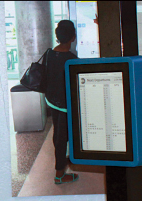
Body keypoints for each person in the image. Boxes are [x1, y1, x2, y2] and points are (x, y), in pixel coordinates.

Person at [44, 20, 79, 184]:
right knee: (61, 137)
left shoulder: (50, 54)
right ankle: (59, 175)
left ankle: (64, 161)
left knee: (58, 133)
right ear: (73, 37)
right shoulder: (71, 59)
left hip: (52, 101)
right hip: (65, 105)